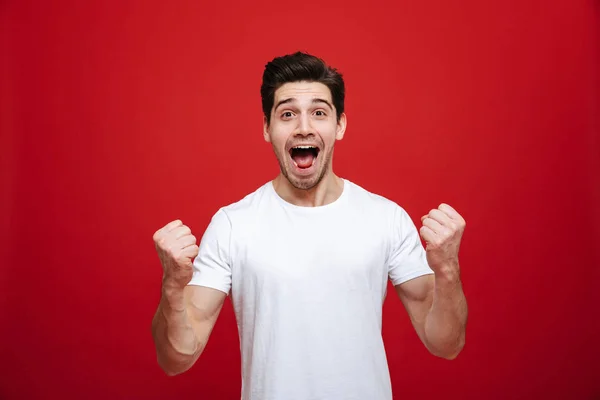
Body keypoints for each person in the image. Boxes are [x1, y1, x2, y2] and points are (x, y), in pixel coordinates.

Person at [151, 51, 468, 400]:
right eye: (287, 114)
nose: (304, 127)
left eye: (319, 112)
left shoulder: (386, 218)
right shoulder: (233, 225)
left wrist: (447, 269)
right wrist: (173, 286)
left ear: (340, 125)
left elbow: (446, 343)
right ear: (267, 128)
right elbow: (175, 358)